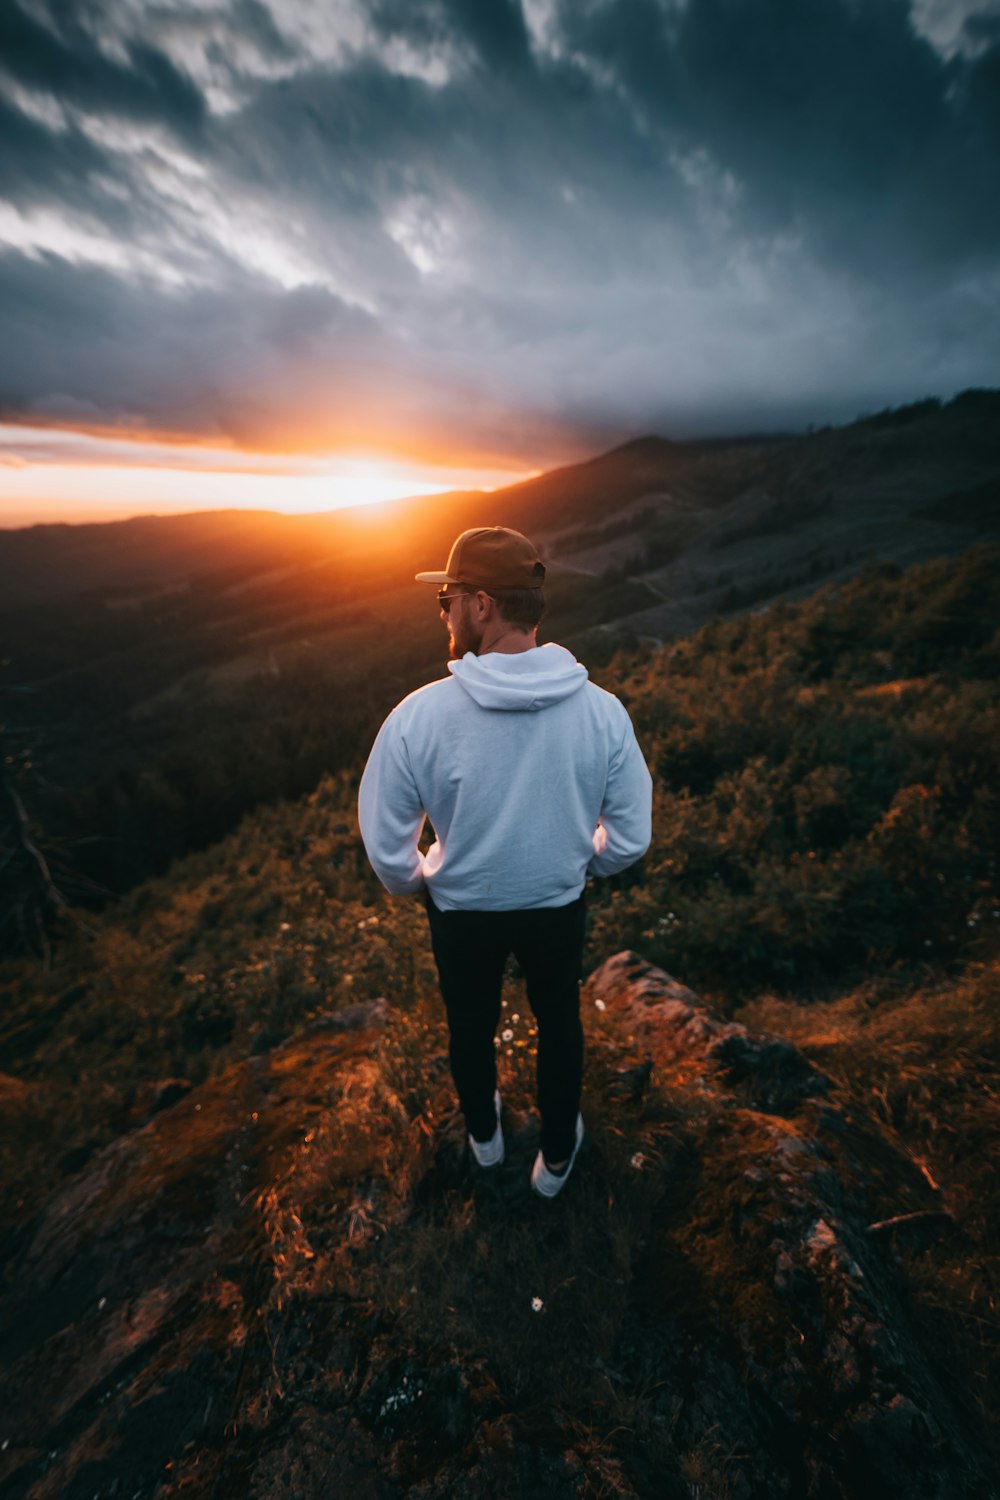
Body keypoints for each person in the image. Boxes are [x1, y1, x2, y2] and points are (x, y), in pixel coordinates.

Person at [358, 526, 652, 1197]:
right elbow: (631, 839)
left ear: (482, 606)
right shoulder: (602, 713)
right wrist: (581, 866)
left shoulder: (418, 718)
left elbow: (387, 849)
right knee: (559, 1023)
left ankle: (487, 1144)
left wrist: (419, 881)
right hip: (556, 904)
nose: (444, 612)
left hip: (462, 912)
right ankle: (554, 1163)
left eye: (449, 599)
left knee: (470, 1028)